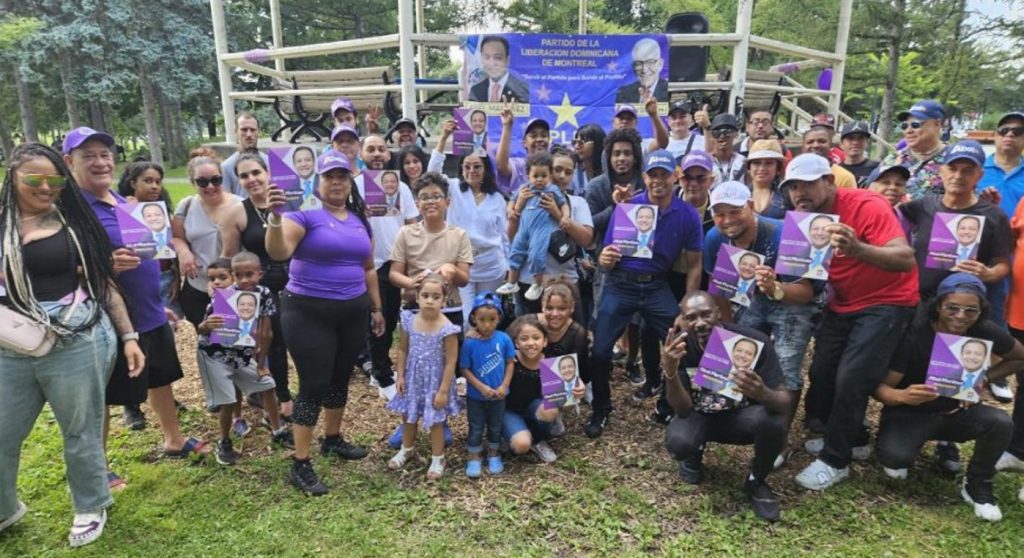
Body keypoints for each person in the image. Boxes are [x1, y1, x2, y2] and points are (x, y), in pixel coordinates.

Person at [0, 142, 144, 548]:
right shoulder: (2, 224)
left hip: (74, 340)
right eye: (34, 179)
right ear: (12, 177)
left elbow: (104, 284)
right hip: (11, 345)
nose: (45, 187)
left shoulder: (75, 224)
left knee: (79, 430)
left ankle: (91, 503)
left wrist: (128, 336)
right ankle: (4, 508)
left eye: (54, 180)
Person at [67, 129, 207, 491]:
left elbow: (148, 255)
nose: (100, 162)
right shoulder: (72, 211)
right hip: (109, 320)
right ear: (69, 162)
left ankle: (173, 439)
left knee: (160, 378)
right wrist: (102, 265)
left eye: (105, 154)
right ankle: (97, 466)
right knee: (101, 395)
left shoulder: (122, 201)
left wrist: (159, 304)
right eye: (89, 156)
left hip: (150, 311)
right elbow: (54, 268)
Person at [780, 153, 920, 491]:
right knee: (823, 371)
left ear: (829, 181)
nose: (800, 193)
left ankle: (836, 460)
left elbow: (904, 257)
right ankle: (853, 438)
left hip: (888, 301)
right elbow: (802, 275)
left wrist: (858, 249)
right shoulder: (800, 221)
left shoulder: (866, 205)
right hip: (842, 303)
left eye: (809, 184)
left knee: (853, 378)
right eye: (793, 186)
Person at [265, 150, 385, 495]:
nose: (336, 182)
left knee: (338, 378)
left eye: (342, 176)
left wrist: (376, 308)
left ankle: (332, 439)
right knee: (314, 384)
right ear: (316, 182)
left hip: (351, 311)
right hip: (307, 311)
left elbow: (368, 268)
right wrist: (274, 218)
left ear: (350, 181)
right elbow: (278, 252)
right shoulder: (301, 215)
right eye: (329, 176)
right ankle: (300, 462)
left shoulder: (359, 219)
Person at [683, 182, 819, 468]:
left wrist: (775, 288)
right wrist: (728, 328)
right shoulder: (714, 238)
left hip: (791, 301)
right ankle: (732, 413)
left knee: (787, 368)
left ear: (751, 207)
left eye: (735, 211)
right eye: (720, 214)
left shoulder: (785, 234)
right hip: (748, 300)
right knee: (739, 355)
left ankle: (778, 438)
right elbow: (718, 289)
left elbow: (806, 292)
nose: (728, 220)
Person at [875, 273, 1023, 522]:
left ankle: (977, 483)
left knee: (1000, 423)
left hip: (957, 412)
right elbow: (880, 388)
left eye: (971, 310)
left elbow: (1019, 357)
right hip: (910, 413)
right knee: (895, 463)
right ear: (938, 305)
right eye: (952, 308)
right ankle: (910, 444)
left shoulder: (983, 330)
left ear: (981, 311)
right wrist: (901, 395)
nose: (961, 316)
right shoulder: (916, 333)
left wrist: (983, 378)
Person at [588, 150, 704, 437]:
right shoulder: (628, 208)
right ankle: (601, 408)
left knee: (681, 341)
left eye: (664, 174)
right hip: (620, 283)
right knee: (600, 350)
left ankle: (669, 406)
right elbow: (606, 251)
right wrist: (605, 258)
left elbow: (694, 265)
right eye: (653, 175)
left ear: (675, 176)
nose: (658, 180)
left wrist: (686, 308)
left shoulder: (687, 215)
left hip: (656, 285)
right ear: (645, 177)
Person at [661, 292, 790, 522]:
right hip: (698, 414)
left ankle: (756, 481)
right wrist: (670, 371)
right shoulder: (680, 347)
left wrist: (762, 392)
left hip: (738, 418)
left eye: (706, 314)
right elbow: (682, 409)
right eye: (691, 317)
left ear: (719, 312)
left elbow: (783, 403)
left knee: (773, 422)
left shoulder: (752, 342)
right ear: (683, 320)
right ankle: (695, 450)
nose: (699, 322)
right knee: (679, 442)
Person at [194, 257, 293, 467]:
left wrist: (261, 364)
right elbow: (202, 329)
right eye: (238, 275)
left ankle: (278, 432)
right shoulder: (223, 297)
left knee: (268, 385)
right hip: (214, 354)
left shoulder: (263, 293)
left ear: (260, 274)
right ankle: (224, 441)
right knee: (228, 401)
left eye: (249, 274)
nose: (244, 279)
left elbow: (266, 332)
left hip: (241, 353)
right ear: (233, 275)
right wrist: (205, 325)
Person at [219, 154, 295, 421]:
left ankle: (277, 392)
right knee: (273, 342)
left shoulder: (291, 202)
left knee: (299, 340)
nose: (251, 180)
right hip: (260, 287)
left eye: (255, 173)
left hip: (296, 279)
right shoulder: (236, 213)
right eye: (244, 176)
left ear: (268, 173)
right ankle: (282, 397)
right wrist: (224, 291)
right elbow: (228, 257)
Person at [385, 273, 462, 480]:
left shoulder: (448, 328)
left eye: (436, 297)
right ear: (417, 296)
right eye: (425, 295)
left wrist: (443, 390)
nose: (430, 300)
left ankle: (438, 458)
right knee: (408, 416)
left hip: (434, 382)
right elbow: (402, 350)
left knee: (436, 421)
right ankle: (406, 448)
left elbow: (451, 361)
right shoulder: (409, 320)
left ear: (444, 301)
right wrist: (400, 376)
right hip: (412, 378)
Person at [430, 126, 509, 322]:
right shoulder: (454, 189)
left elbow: (504, 235)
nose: (471, 171)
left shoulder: (497, 198)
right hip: (461, 267)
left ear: (485, 169)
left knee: (487, 319)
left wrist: (508, 265)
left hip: (491, 267)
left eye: (477, 167)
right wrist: (444, 137)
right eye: (467, 166)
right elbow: (432, 173)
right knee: (465, 320)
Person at [507, 146, 594, 321]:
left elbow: (586, 239)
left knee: (570, 343)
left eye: (568, 172)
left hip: (565, 281)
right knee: (530, 341)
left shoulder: (578, 203)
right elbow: (511, 236)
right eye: (557, 170)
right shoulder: (526, 195)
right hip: (528, 282)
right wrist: (516, 209)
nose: (562, 176)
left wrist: (558, 214)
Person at [389, 172, 474, 328]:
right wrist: (411, 282)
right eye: (425, 197)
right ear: (417, 204)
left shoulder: (459, 235)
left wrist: (453, 270)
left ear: (447, 202)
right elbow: (394, 274)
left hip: (450, 308)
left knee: (451, 352)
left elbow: (464, 280)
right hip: (415, 307)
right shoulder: (405, 233)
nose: (431, 202)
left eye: (436, 196)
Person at [172, 152, 242, 326]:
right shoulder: (186, 205)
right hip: (197, 288)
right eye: (202, 182)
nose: (210, 186)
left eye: (216, 180)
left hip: (233, 287)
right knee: (205, 343)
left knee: (234, 344)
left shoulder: (240, 205)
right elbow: (176, 237)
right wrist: (184, 252)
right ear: (192, 182)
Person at [503, 315, 585, 463]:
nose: (530, 343)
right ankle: (509, 433)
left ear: (545, 341)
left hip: (535, 406)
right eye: (524, 338)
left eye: (536, 338)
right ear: (516, 342)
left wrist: (578, 386)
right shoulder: (509, 359)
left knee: (551, 409)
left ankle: (538, 439)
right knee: (521, 445)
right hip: (509, 409)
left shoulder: (552, 361)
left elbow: (568, 396)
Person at [497, 152, 569, 301]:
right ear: (528, 175)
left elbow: (564, 205)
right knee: (515, 251)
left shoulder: (552, 190)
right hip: (524, 228)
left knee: (536, 255)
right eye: (536, 176)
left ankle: (537, 284)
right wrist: (510, 210)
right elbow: (511, 200)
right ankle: (511, 282)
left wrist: (566, 216)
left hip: (541, 229)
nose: (540, 180)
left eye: (544, 175)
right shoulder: (524, 189)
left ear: (549, 175)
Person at [459, 292, 516, 477]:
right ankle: (473, 456)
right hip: (476, 396)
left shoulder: (504, 339)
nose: (487, 324)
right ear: (474, 318)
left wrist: (504, 385)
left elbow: (510, 362)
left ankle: (493, 452)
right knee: (475, 426)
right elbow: (465, 369)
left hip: (499, 395)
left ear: (499, 318)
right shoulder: (469, 343)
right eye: (482, 319)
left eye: (492, 319)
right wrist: (481, 387)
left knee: (495, 425)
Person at [883, 99, 948, 199]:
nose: (908, 131)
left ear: (937, 124)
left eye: (915, 125)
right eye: (904, 126)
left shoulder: (953, 161)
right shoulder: (893, 160)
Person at [979, 110, 1024, 217]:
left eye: (1018, 131)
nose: (1009, 134)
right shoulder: (975, 170)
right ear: (995, 135)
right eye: (1004, 130)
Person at [495, 110, 550, 195]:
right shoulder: (519, 165)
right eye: (534, 136)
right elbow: (502, 166)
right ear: (524, 143)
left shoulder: (554, 167)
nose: (539, 139)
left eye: (543, 135)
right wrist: (507, 126)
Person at [468, 35, 529, 103]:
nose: (492, 63)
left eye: (498, 58)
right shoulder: (475, 90)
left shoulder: (522, 89)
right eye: (487, 57)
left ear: (507, 60)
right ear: (482, 60)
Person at [221, 112, 268, 197]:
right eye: (244, 130)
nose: (249, 134)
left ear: (259, 132)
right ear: (236, 132)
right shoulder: (225, 167)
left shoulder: (271, 162)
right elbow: (225, 201)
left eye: (252, 130)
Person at [745, 139, 788, 219]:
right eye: (756, 163)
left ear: (778, 168)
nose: (761, 168)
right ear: (749, 167)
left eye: (769, 163)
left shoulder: (787, 196)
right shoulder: (740, 195)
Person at [616, 37, 667, 102]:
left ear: (660, 64)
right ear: (633, 66)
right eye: (638, 63)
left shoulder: (668, 91)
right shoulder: (623, 93)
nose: (644, 70)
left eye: (650, 62)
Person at [707, 114, 746, 186]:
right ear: (711, 136)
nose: (722, 136)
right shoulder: (704, 162)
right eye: (717, 133)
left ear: (735, 134)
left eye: (727, 132)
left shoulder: (743, 162)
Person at [838, 121, 879, 186]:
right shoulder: (836, 170)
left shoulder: (877, 169)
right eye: (850, 138)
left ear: (867, 142)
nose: (855, 142)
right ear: (841, 144)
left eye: (861, 138)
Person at [571, 124, 606, 196]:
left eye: (581, 142)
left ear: (597, 144)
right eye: (575, 142)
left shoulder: (608, 173)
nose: (577, 146)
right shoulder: (572, 171)